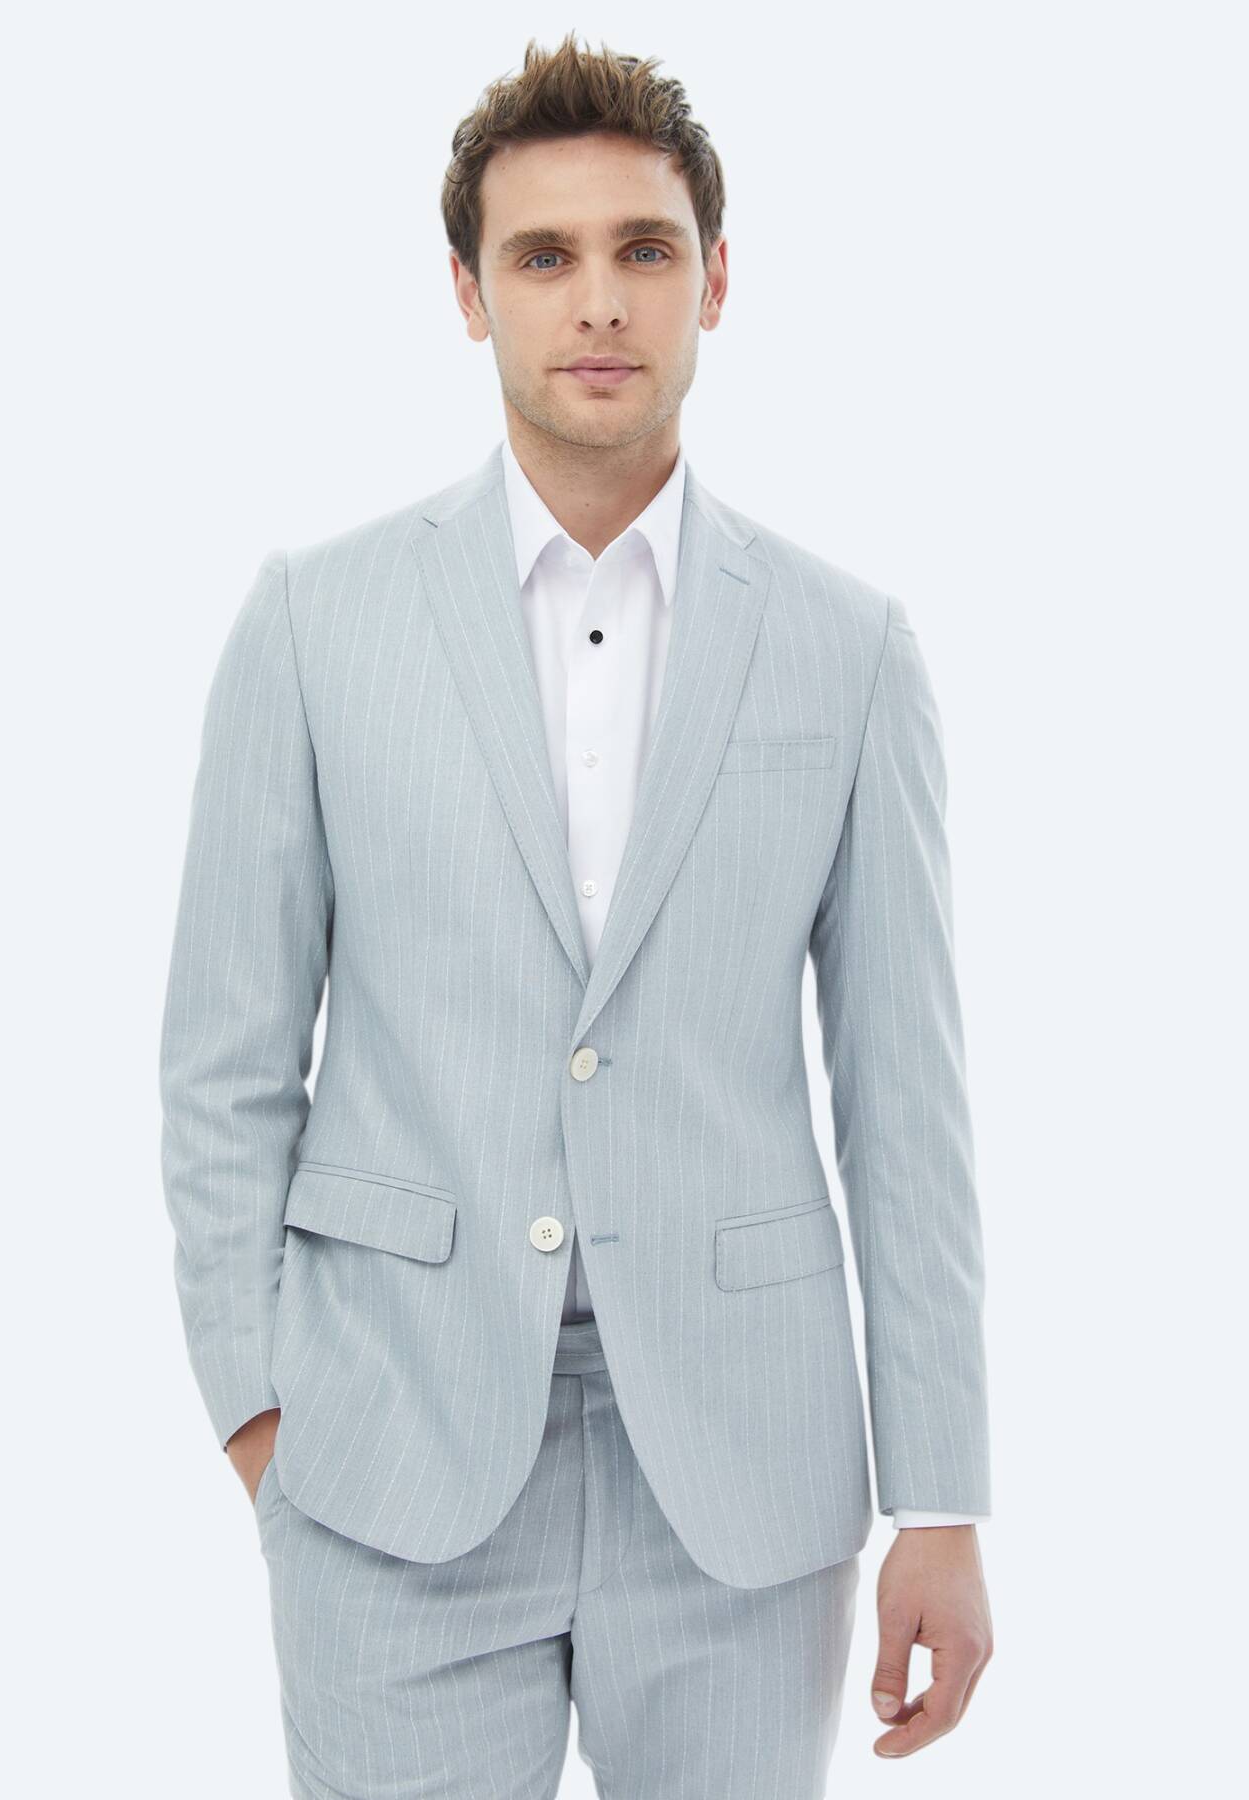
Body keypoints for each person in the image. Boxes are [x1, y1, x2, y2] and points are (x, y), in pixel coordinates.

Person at [159, 31, 993, 1798]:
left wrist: (940, 1497)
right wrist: (261, 1420)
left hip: (741, 1472)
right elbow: (225, 1066)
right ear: (468, 294)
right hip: (386, 1454)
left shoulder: (848, 647)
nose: (597, 300)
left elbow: (906, 1103)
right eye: (542, 256)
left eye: (642, 250)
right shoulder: (312, 621)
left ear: (715, 282)